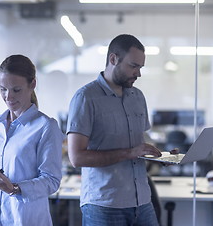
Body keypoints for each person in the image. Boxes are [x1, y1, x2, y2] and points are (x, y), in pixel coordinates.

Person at [67, 34, 162, 226]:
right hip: (104, 205)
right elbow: (77, 158)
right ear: (113, 59)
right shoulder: (86, 98)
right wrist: (130, 153)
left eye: (140, 67)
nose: (138, 73)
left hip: (142, 201)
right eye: (133, 66)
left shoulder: (138, 97)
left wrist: (158, 155)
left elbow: (138, 145)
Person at [0, 54, 63, 226]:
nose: (8, 97)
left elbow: (51, 180)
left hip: (25, 219)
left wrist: (15, 189)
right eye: (3, 89)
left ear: (32, 84)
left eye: (16, 90)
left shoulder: (45, 126)